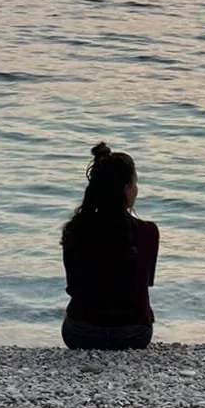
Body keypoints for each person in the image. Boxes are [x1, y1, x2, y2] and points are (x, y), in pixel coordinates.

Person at [60, 142, 158, 350]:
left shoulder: (74, 231)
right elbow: (144, 283)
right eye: (134, 183)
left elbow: (73, 287)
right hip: (134, 334)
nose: (136, 189)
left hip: (80, 333)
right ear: (126, 189)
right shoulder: (147, 232)